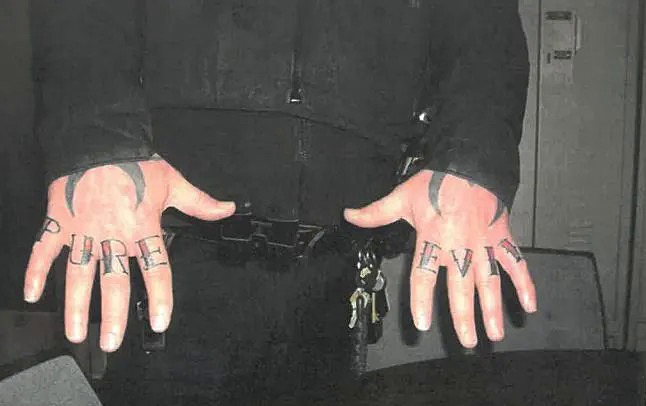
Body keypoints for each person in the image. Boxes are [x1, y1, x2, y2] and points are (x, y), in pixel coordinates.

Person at [24, 0, 537, 403]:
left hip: (337, 272)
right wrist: (97, 138)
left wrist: (473, 156)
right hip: (176, 264)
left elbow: (482, 25)